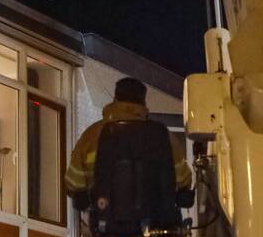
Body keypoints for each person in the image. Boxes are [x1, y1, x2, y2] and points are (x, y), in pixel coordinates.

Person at [65, 77, 193, 198]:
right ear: (143, 104)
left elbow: (74, 183)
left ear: (115, 99)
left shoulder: (92, 135)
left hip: (105, 217)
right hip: (156, 219)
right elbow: (184, 180)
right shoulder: (163, 136)